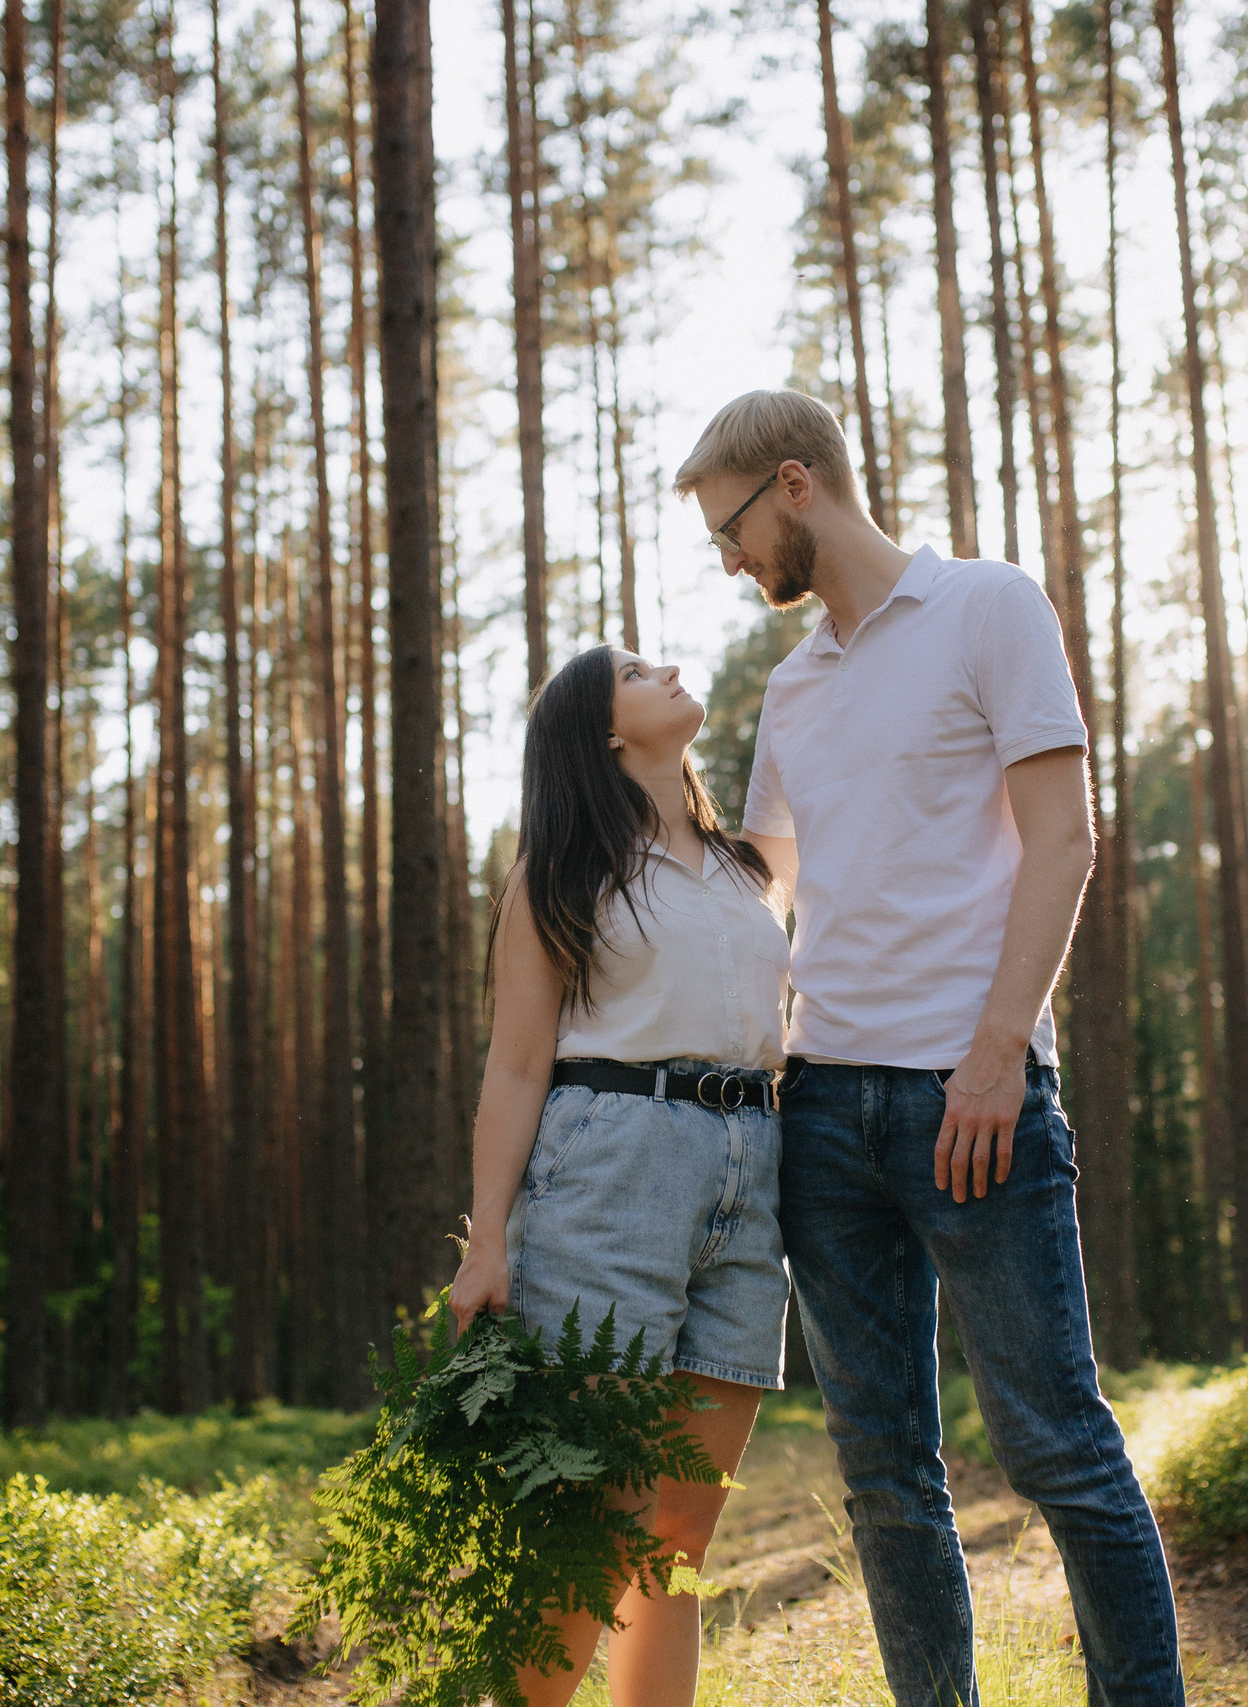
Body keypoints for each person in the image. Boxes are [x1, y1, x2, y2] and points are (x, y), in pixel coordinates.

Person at [674, 389, 1187, 1706]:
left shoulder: (989, 606)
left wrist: (998, 1051)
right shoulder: (792, 688)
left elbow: (1065, 836)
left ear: (795, 484)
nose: (729, 561)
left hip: (978, 1091)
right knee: (884, 1468)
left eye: (729, 527)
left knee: (1058, 1443)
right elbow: (768, 893)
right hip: (823, 1112)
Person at [449, 643, 793, 1707]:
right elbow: (514, 1066)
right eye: (641, 671)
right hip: (611, 1169)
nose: (673, 666)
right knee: (586, 1526)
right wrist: (488, 1244)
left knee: (680, 1537)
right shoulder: (560, 871)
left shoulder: (746, 868)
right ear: (605, 731)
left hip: (752, 1175)